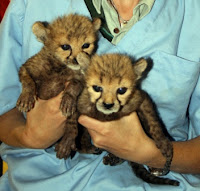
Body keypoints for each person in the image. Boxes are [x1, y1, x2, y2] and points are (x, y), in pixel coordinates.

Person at [0, 0, 200, 190]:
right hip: (40, 180)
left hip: (158, 179)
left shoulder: (193, 12)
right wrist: (29, 137)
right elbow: (4, 109)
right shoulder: (32, 5)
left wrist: (154, 156)